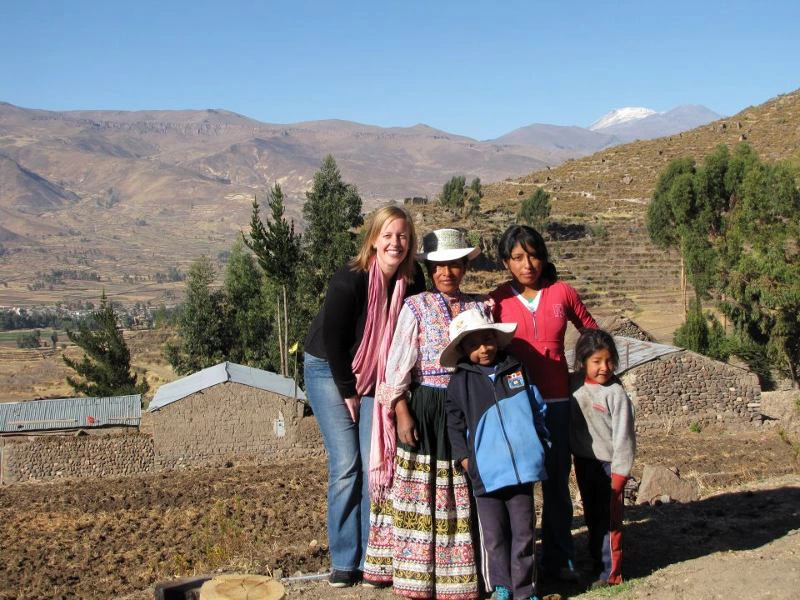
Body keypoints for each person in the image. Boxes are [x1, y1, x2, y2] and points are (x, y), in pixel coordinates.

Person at [303, 206, 425, 588]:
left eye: (402, 236)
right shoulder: (351, 280)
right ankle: (344, 559)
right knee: (346, 465)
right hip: (329, 369)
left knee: (378, 463)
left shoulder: (413, 281)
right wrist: (349, 391)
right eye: (387, 235)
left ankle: (373, 558)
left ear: (411, 242)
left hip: (378, 373)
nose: (395, 243)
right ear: (373, 239)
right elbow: (336, 343)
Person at [363, 228, 482, 599]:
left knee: (457, 488)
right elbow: (397, 366)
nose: (447, 273)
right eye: (439, 266)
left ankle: (457, 577)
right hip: (426, 407)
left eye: (455, 266)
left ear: (465, 267)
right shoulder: (415, 308)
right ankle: (415, 577)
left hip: (464, 406)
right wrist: (401, 410)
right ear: (430, 270)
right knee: (420, 490)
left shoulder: (479, 309)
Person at [489, 224, 598, 581]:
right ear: (506, 262)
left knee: (556, 485)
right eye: (518, 257)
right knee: (518, 490)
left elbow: (593, 335)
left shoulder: (562, 293)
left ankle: (560, 561)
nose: (527, 264)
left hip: (557, 403)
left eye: (533, 255)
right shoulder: (497, 301)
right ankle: (520, 567)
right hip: (515, 408)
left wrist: (592, 377)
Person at [442, 308, 550, 600]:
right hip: (486, 473)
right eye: (474, 345)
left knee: (524, 532)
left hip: (522, 470)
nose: (483, 349)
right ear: (463, 349)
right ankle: (501, 586)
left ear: (497, 339)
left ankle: (525, 590)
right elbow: (454, 425)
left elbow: (537, 406)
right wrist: (467, 460)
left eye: (488, 340)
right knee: (494, 535)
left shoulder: (516, 368)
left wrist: (542, 441)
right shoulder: (459, 383)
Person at [569, 329, 635, 589]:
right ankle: (597, 560)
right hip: (584, 462)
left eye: (609, 361)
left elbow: (624, 437)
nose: (604, 368)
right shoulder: (574, 384)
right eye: (596, 362)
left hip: (610, 466)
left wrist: (620, 474)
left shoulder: (616, 394)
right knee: (592, 514)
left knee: (609, 519)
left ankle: (612, 573)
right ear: (582, 362)